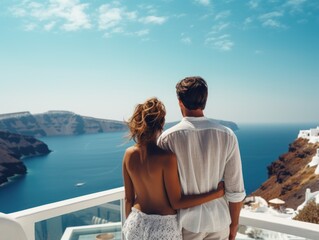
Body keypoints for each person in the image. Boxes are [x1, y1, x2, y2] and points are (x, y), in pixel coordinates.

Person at [122, 97, 225, 240]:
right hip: (163, 228)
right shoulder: (166, 157)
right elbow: (177, 202)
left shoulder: (128, 155)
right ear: (161, 123)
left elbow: (128, 199)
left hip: (135, 222)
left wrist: (130, 225)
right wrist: (217, 193)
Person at [157, 76, 246, 240]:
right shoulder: (227, 135)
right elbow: (235, 190)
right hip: (219, 222)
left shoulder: (167, 139)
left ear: (180, 102)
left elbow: (162, 192)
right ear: (205, 101)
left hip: (186, 225)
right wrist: (234, 226)